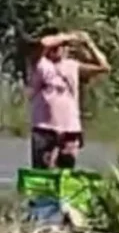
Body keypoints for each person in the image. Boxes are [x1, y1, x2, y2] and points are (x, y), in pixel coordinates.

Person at [25, 29, 110, 169]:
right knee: (42, 169)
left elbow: (104, 67)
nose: (60, 49)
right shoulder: (40, 64)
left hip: (70, 127)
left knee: (67, 169)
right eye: (57, 46)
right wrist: (68, 37)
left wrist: (89, 44)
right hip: (45, 127)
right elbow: (44, 42)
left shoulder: (73, 66)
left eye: (63, 47)